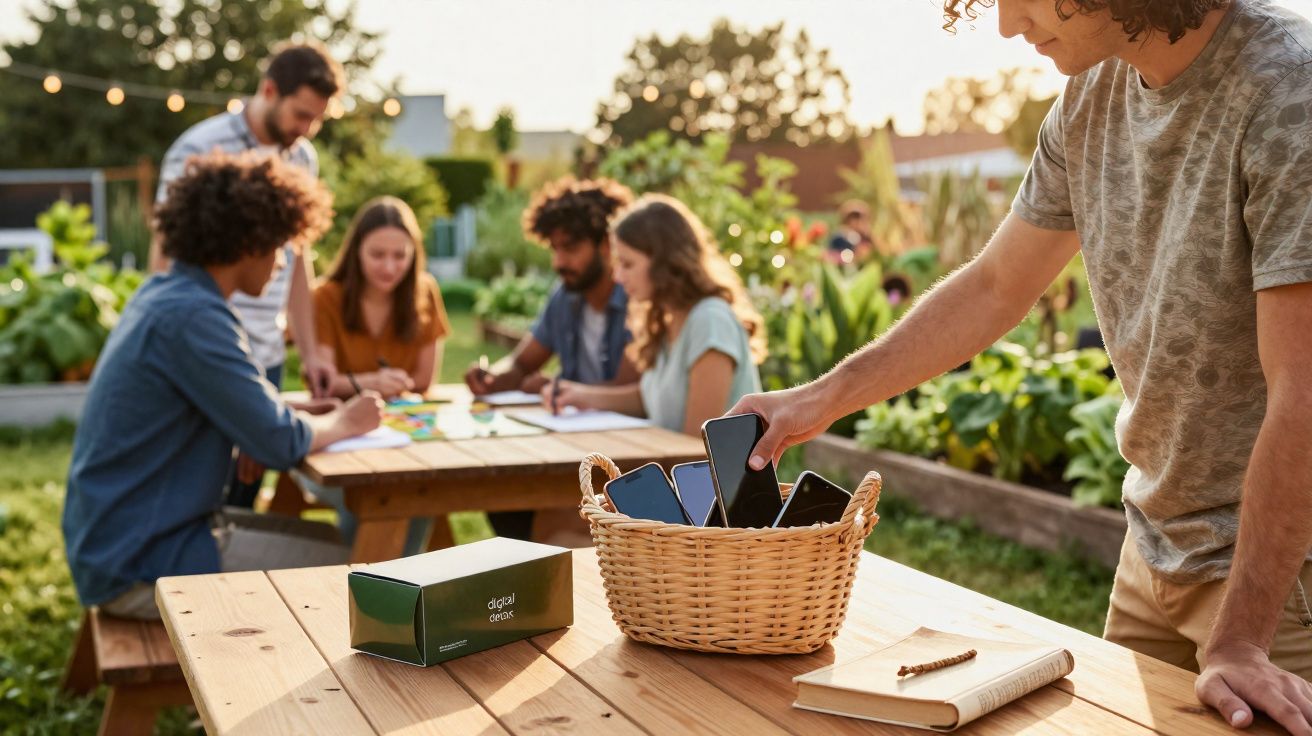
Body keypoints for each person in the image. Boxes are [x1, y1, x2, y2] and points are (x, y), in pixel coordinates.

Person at [732, 1, 1312, 731]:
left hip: (1280, 584)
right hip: (1155, 549)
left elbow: (1305, 392)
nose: (1007, 24)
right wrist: (813, 401)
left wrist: (1241, 639)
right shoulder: (1091, 94)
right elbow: (996, 286)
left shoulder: (1291, 91)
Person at [63, 152, 384, 620]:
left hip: (123, 539)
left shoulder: (167, 296)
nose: (282, 264)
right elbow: (280, 442)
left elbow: (232, 405)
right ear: (248, 244)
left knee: (341, 545)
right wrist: (344, 419)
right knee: (361, 576)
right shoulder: (194, 317)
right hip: (140, 562)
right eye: (281, 246)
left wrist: (269, 412)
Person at [150, 41, 344, 509]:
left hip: (267, 350)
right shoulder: (200, 148)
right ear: (269, 89)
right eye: (300, 114)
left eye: (316, 120)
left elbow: (299, 260)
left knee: (244, 497)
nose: (306, 130)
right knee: (203, 489)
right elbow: (168, 257)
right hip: (212, 348)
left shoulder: (301, 158)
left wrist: (311, 348)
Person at [464, 176, 639, 541]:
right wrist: (491, 378)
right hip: (572, 447)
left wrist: (559, 387)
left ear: (607, 245)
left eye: (570, 248)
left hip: (626, 459)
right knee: (497, 489)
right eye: (554, 248)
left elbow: (629, 389)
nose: (559, 261)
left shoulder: (636, 299)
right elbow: (521, 363)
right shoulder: (566, 297)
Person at [546, 194, 765, 436]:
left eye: (628, 264)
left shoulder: (710, 321)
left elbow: (700, 446)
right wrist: (580, 395)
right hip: (675, 467)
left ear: (665, 263)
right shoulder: (667, 318)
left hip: (708, 473)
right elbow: (650, 399)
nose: (617, 277)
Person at [314, 196, 451, 399]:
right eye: (377, 255)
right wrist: (372, 383)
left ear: (414, 254)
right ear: (357, 251)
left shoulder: (426, 290)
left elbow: (424, 379)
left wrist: (393, 385)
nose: (389, 268)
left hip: (406, 420)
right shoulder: (324, 296)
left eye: (400, 255)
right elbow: (322, 382)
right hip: (344, 420)